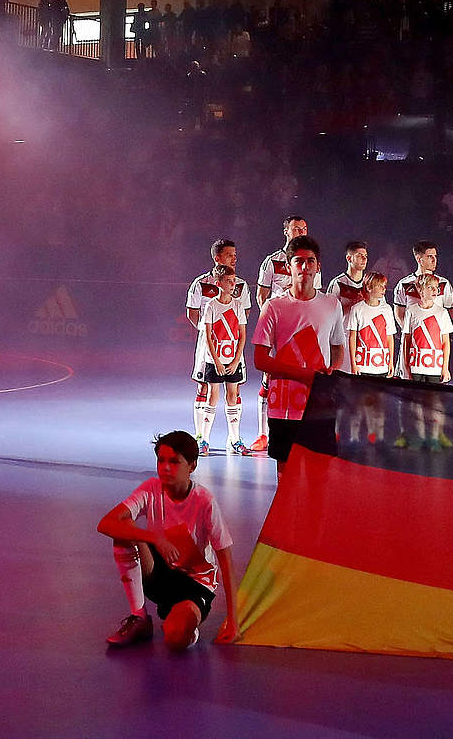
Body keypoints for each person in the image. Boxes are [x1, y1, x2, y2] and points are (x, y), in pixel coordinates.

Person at [98, 431, 238, 650]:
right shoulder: (151, 489)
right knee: (124, 529)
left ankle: (186, 625)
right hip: (160, 572)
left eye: (174, 462)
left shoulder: (204, 502)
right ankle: (140, 617)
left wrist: (233, 620)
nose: (165, 467)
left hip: (195, 586)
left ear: (192, 466)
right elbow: (105, 523)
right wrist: (153, 537)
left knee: (174, 639)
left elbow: (226, 562)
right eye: (161, 460)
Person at [251, 236, 346, 474]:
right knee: (286, 477)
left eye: (310, 261)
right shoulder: (273, 306)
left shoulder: (332, 304)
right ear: (289, 266)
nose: (305, 267)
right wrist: (304, 374)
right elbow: (260, 359)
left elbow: (338, 346)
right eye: (299, 261)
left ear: (318, 266)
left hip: (319, 403)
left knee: (319, 475)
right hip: (283, 405)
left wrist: (332, 371)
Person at [253, 216, 318, 452]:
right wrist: (270, 324)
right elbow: (262, 295)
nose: (300, 231)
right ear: (285, 231)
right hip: (277, 329)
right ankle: (263, 435)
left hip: (302, 333)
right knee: (268, 380)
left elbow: (313, 297)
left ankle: (301, 431)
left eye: (304, 227)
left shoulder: (311, 262)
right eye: (295, 228)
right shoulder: (271, 262)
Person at [186, 239, 249, 453]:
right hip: (209, 348)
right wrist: (209, 334)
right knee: (204, 388)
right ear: (217, 258)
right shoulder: (200, 284)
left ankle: (234, 439)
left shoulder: (240, 285)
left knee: (234, 388)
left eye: (235, 254)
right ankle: (200, 438)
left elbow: (244, 316)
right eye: (230, 254)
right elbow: (192, 313)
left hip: (232, 349)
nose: (234, 257)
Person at [398, 274, 453, 451]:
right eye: (430, 288)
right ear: (421, 290)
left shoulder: (442, 312)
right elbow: (407, 339)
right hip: (416, 365)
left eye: (436, 288)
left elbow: (445, 342)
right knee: (417, 403)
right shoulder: (412, 311)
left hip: (435, 366)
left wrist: (445, 367)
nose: (435, 291)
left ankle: (435, 437)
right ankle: (420, 436)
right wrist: (406, 365)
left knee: (435, 403)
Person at [393, 241, 453, 338]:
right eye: (430, 256)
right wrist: (412, 334)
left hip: (435, 340)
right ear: (419, 259)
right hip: (412, 340)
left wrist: (436, 334)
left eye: (435, 256)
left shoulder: (444, 283)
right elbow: (399, 314)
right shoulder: (404, 284)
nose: (434, 260)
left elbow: (449, 314)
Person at [327, 241, 370, 373]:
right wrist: (351, 304)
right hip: (343, 339)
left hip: (365, 341)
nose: (364, 259)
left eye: (366, 255)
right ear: (349, 258)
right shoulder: (338, 283)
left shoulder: (370, 284)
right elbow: (328, 314)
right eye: (359, 255)